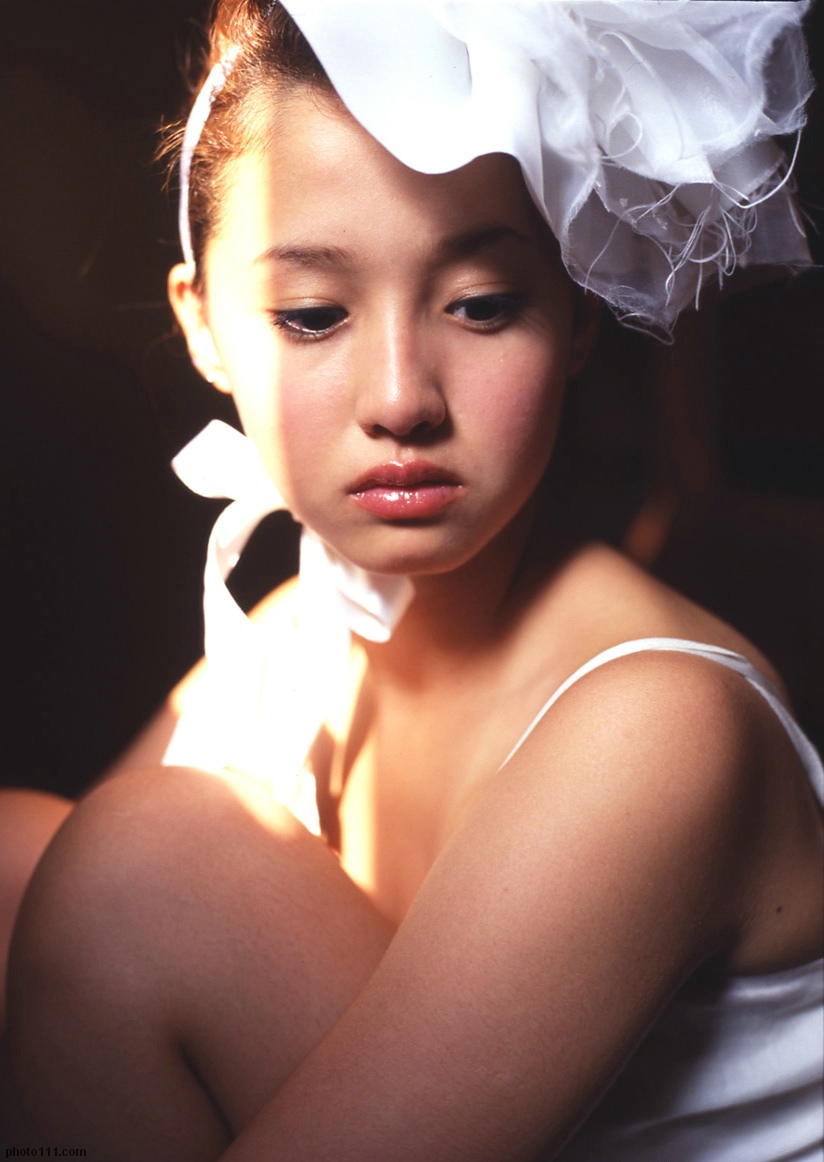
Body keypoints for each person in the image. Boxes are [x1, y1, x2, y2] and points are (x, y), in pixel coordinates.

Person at [1, 1, 822, 1159]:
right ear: (204, 327)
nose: (399, 398)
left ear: (577, 315)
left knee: (142, 864)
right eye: (311, 315)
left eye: (481, 304)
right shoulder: (296, 640)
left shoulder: (657, 725)